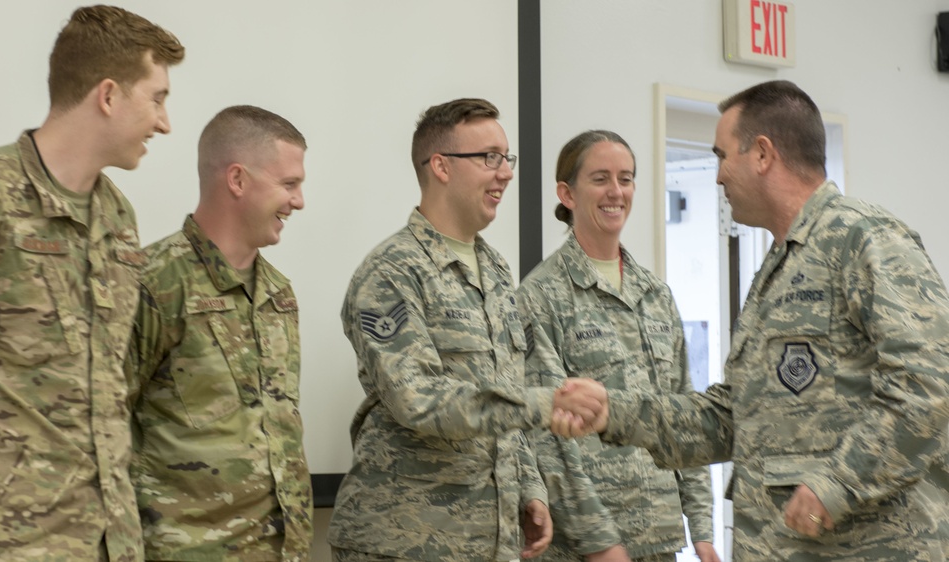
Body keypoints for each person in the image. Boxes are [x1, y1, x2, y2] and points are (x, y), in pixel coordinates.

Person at [557, 80, 949, 560]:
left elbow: (928, 385)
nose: (718, 176)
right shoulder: (777, 267)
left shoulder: (865, 239)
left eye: (723, 155)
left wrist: (839, 483)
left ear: (762, 154)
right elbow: (732, 416)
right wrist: (614, 413)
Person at [327, 98, 608, 561]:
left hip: (486, 540)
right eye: (489, 158)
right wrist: (545, 402)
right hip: (404, 541)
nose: (505, 173)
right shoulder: (392, 271)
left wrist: (529, 487)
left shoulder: (495, 269)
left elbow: (502, 391)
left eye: (507, 158)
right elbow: (417, 398)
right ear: (440, 166)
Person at [0, 6, 183, 561]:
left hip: (108, 540)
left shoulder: (117, 217)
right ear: (108, 95)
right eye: (157, 98)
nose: (165, 122)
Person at [519, 131, 720, 562]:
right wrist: (599, 542)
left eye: (626, 179)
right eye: (601, 179)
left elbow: (684, 412)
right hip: (586, 547)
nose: (616, 192)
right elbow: (547, 436)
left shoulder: (656, 294)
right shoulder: (540, 296)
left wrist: (701, 527)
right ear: (566, 193)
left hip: (661, 537)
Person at [126, 105, 311, 561]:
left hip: (281, 549)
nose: (299, 200)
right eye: (289, 184)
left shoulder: (278, 294)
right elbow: (106, 427)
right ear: (237, 179)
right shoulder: (154, 283)